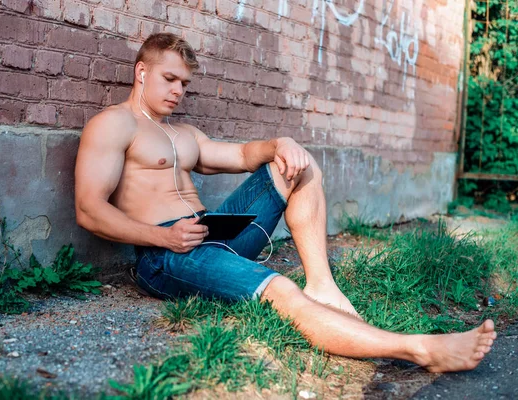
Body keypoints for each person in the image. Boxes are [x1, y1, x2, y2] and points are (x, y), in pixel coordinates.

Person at [74, 33, 496, 373]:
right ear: (141, 72)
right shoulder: (113, 124)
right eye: (169, 79)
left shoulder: (184, 134)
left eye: (184, 83)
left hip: (210, 236)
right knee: (281, 290)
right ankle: (419, 350)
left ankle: (323, 285)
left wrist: (281, 143)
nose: (178, 91)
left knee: (299, 165)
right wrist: (163, 236)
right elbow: (89, 209)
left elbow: (240, 156)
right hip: (165, 258)